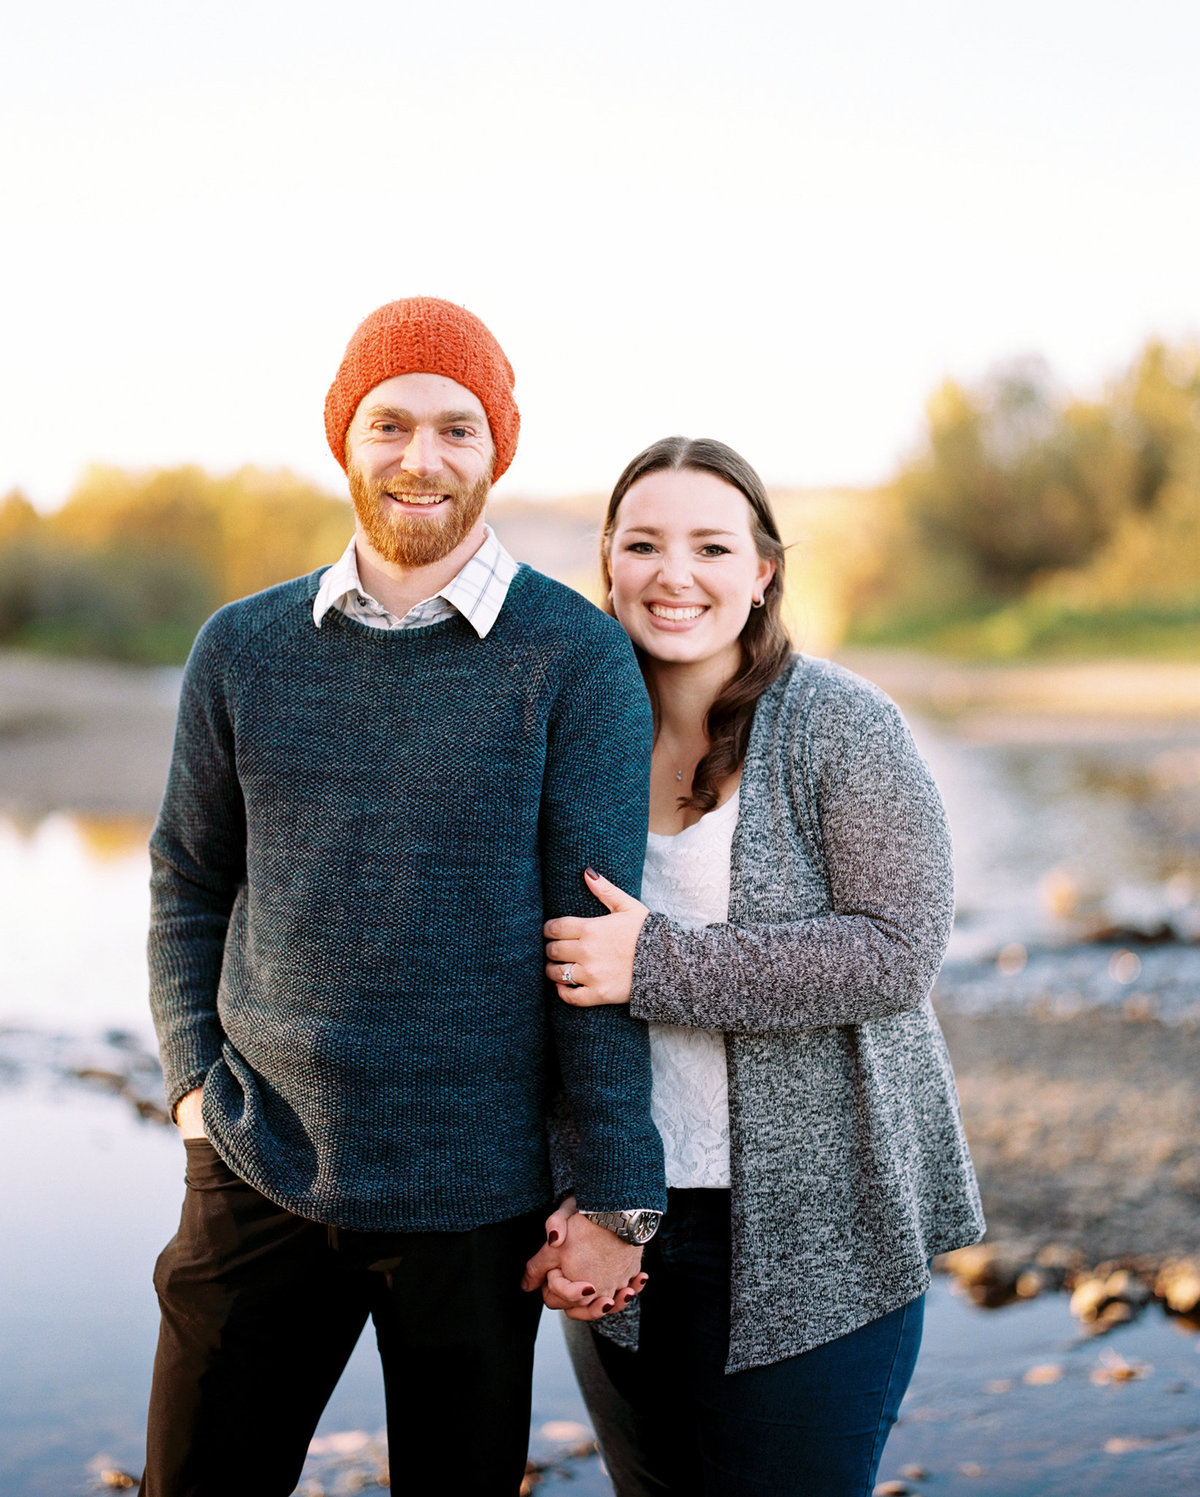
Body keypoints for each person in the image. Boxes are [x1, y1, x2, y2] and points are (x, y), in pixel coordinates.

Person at [142, 297, 666, 1497]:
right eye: (390, 424)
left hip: (477, 1198)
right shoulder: (241, 647)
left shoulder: (571, 658)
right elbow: (187, 875)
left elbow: (592, 941)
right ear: (345, 439)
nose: (420, 459)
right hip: (259, 1162)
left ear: (497, 453)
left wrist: (615, 1192)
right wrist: (187, 1087)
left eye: (456, 429)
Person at [523, 436, 985, 1496]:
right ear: (608, 564)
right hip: (622, 1216)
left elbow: (896, 951)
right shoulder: (572, 734)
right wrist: (579, 1194)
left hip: (822, 1224)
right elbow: (530, 983)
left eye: (712, 546)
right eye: (643, 544)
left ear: (764, 570)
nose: (674, 574)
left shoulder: (841, 725)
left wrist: (657, 965)